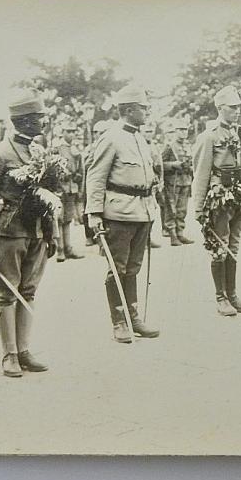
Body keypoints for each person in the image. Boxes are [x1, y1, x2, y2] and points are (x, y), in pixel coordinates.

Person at [0, 88, 57, 377]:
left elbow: (48, 195)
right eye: (39, 118)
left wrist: (52, 233)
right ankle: (9, 354)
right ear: (24, 121)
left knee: (29, 291)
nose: (43, 123)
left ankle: (24, 350)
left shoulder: (40, 150)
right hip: (9, 231)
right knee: (8, 293)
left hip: (37, 231)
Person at [85, 84, 160, 343]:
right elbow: (95, 177)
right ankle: (119, 321)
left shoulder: (139, 138)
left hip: (142, 211)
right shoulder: (110, 138)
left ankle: (133, 316)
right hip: (118, 212)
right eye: (143, 107)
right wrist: (94, 213)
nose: (147, 111)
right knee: (117, 267)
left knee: (133, 267)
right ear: (128, 110)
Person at [192, 85, 241, 316]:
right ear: (220, 108)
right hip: (219, 196)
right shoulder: (209, 136)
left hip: (238, 195)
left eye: (238, 107)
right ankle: (221, 297)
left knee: (234, 245)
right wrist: (198, 207)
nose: (237, 111)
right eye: (232, 107)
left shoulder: (240, 134)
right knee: (221, 246)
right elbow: (200, 172)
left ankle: (233, 294)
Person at [54, 121, 85, 261]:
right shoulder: (57, 148)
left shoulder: (76, 149)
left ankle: (68, 248)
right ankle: (59, 250)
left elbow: (81, 168)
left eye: (73, 131)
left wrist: (79, 179)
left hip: (72, 188)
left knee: (68, 219)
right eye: (68, 131)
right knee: (59, 219)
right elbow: (52, 167)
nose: (71, 134)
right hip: (60, 188)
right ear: (63, 132)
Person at [161, 119, 195, 246]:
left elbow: (192, 162)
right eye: (180, 130)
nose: (183, 132)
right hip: (172, 182)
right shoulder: (169, 146)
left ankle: (180, 233)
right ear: (175, 131)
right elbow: (159, 164)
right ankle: (172, 235)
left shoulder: (188, 146)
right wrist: (173, 165)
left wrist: (190, 168)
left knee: (182, 209)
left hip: (185, 181)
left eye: (185, 130)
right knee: (171, 209)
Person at [82, 119, 112, 247]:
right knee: (90, 212)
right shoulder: (91, 148)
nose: (98, 135)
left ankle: (103, 243)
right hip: (90, 184)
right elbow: (87, 166)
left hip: (106, 186)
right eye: (96, 133)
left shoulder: (110, 146)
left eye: (102, 132)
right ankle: (90, 237)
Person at [141, 121, 165, 249]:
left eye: (151, 131)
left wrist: (161, 180)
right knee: (143, 214)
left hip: (154, 184)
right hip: (144, 184)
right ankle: (142, 241)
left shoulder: (154, 145)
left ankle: (148, 238)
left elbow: (159, 164)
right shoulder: (139, 146)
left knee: (153, 213)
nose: (149, 134)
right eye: (146, 132)